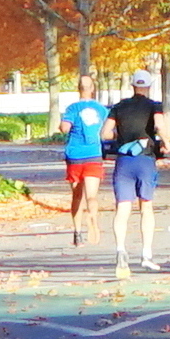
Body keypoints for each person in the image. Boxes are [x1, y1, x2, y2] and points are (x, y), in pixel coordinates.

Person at [101, 68, 170, 278]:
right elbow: (159, 126)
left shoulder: (119, 107)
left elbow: (105, 133)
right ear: (148, 86)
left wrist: (120, 134)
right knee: (146, 207)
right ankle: (146, 255)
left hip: (124, 161)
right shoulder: (154, 106)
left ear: (132, 86)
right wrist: (166, 142)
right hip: (145, 160)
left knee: (122, 208)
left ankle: (121, 251)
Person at [59, 74, 108, 247]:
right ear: (93, 89)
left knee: (77, 195)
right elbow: (109, 131)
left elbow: (64, 128)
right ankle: (92, 216)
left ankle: (77, 232)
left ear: (78, 89)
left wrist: (64, 126)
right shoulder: (102, 110)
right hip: (94, 154)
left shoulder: (72, 108)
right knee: (92, 195)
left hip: (75, 156)